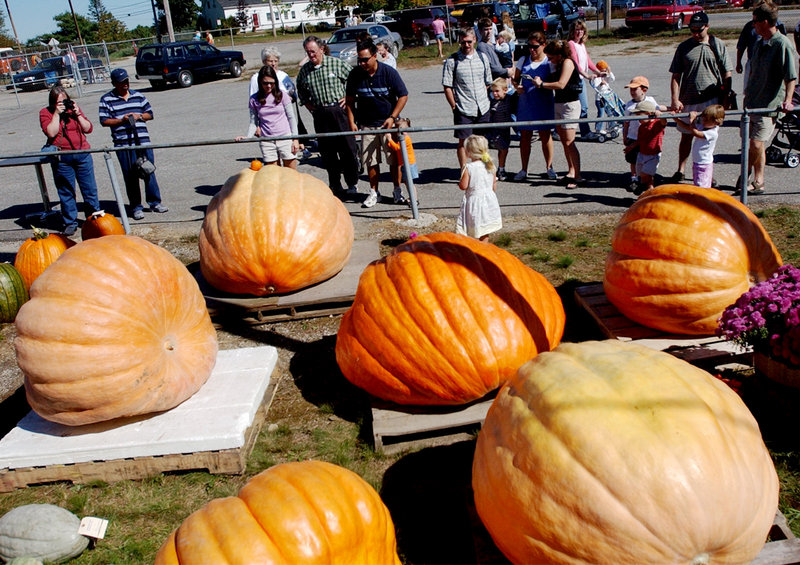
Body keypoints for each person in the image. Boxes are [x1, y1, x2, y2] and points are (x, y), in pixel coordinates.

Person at [668, 12, 732, 183]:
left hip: (710, 100)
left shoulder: (717, 45)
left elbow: (727, 73)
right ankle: (681, 169)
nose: (696, 34)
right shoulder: (684, 47)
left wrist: (725, 98)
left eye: (699, 30)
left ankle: (707, 174)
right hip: (688, 99)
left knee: (707, 138)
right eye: (692, 30)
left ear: (707, 27)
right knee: (686, 136)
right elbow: (675, 75)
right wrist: (675, 99)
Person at [741, 0, 796, 195]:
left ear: (765, 22)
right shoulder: (758, 43)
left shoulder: (782, 44)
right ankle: (758, 181)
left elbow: (791, 77)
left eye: (755, 20)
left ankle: (745, 174)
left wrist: (788, 100)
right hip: (752, 103)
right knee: (756, 144)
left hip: (769, 105)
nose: (752, 24)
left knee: (755, 143)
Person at [345, 38, 409, 207]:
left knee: (394, 160)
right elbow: (350, 101)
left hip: (388, 124)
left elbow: (403, 95)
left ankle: (397, 190)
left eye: (365, 59)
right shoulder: (355, 74)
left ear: (374, 56)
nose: (362, 63)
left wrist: (392, 117)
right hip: (367, 124)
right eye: (359, 59)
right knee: (370, 161)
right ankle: (374, 192)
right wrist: (352, 121)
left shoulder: (388, 72)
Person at [98, 68, 167, 221]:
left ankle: (155, 202)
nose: (125, 85)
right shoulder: (106, 99)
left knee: (148, 171)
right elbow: (104, 120)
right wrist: (121, 120)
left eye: (126, 82)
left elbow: (150, 114)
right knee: (130, 176)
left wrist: (139, 116)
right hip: (123, 144)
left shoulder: (138, 96)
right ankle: (136, 206)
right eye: (121, 83)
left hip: (142, 141)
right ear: (114, 83)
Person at [297, 35, 360, 195]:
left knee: (347, 149)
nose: (311, 55)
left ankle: (352, 183)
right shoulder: (305, 71)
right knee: (328, 152)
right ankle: (335, 184)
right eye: (308, 52)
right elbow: (301, 91)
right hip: (320, 114)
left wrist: (349, 97)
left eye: (313, 51)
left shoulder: (336, 64)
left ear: (322, 49)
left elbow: (355, 81)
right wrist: (310, 106)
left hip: (339, 112)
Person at [39, 85, 101, 236]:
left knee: (90, 190)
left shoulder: (73, 111)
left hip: (82, 154)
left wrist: (78, 114)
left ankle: (96, 220)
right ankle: (70, 222)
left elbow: (88, 128)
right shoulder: (46, 113)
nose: (63, 105)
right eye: (59, 102)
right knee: (66, 192)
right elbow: (51, 132)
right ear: (53, 103)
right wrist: (56, 114)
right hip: (62, 158)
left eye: (65, 101)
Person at [533, 40, 583, 189]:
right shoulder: (558, 64)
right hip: (559, 103)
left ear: (559, 54)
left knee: (569, 141)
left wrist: (542, 84)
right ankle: (571, 171)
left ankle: (578, 176)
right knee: (563, 140)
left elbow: (561, 84)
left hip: (570, 104)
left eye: (551, 57)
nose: (549, 60)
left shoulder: (567, 62)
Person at [442, 28, 493, 168]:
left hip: (482, 107)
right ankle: (465, 170)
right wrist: (454, 105)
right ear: (459, 41)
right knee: (463, 142)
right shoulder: (452, 61)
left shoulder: (483, 57)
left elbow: (488, 82)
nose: (467, 45)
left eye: (469, 41)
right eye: (463, 42)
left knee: (482, 141)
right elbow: (447, 86)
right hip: (463, 109)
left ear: (475, 40)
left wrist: (484, 98)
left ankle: (484, 168)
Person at [512, 32, 556, 182]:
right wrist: (517, 87)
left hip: (544, 102)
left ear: (543, 45)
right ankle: (524, 169)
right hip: (526, 103)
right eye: (529, 46)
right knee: (525, 136)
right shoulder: (524, 60)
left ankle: (549, 167)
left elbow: (556, 82)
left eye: (535, 47)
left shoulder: (549, 62)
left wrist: (543, 84)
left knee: (545, 135)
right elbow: (515, 80)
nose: (531, 49)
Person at [252, 46, 310, 159]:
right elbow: (254, 102)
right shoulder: (256, 78)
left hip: (284, 116)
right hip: (267, 122)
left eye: (275, 61)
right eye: (270, 61)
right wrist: (257, 126)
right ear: (264, 62)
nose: (273, 64)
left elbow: (293, 93)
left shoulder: (283, 76)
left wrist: (289, 97)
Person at [236, 65, 299, 169]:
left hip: (285, 137)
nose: (269, 86)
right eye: (265, 83)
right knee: (272, 175)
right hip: (267, 140)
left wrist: (295, 139)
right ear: (260, 82)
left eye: (272, 83)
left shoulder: (283, 96)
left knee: (291, 174)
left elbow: (291, 118)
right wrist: (248, 136)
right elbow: (253, 122)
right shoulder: (254, 99)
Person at [623, 76, 666, 193]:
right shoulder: (629, 105)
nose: (632, 92)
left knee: (647, 173)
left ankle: (646, 186)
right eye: (630, 89)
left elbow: (661, 117)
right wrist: (625, 137)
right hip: (633, 136)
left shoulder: (651, 104)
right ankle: (635, 179)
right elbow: (626, 123)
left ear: (644, 90)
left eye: (634, 89)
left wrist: (666, 111)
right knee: (633, 160)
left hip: (652, 151)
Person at [456, 134, 502, 241]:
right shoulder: (490, 165)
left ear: (468, 152)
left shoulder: (469, 168)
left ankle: (473, 249)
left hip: (475, 203)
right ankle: (484, 248)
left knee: (472, 228)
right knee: (484, 230)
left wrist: (461, 177)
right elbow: (493, 186)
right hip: (488, 202)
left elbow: (463, 186)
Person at [568, 19, 604, 141]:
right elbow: (575, 63)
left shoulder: (581, 45)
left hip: (581, 79)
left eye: (581, 29)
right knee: (582, 107)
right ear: (572, 31)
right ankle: (585, 132)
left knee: (574, 107)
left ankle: (559, 129)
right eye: (577, 29)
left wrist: (598, 72)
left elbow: (588, 61)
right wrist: (587, 75)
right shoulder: (571, 44)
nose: (579, 32)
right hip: (574, 80)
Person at [674, 104, 725, 189]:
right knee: (698, 183)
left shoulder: (712, 133)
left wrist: (692, 119)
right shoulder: (705, 126)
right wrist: (676, 118)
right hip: (697, 162)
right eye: (703, 119)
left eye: (706, 120)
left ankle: (702, 200)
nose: (703, 122)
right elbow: (688, 128)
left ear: (716, 122)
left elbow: (695, 133)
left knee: (702, 187)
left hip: (704, 164)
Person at [735, 6, 786, 90]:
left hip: (772, 63)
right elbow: (741, 45)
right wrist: (738, 62)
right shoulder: (750, 27)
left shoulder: (778, 25)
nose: (753, 24)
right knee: (750, 89)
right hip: (753, 61)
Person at [384, 117, 419, 205]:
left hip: (409, 163)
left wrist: (390, 139)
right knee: (407, 182)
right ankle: (412, 197)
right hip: (405, 163)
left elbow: (397, 148)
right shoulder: (403, 138)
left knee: (410, 183)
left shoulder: (405, 139)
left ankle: (414, 199)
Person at [488, 78, 512, 181]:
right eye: (493, 91)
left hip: (505, 129)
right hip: (494, 129)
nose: (495, 94)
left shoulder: (510, 99)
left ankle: (501, 168)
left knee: (504, 149)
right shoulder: (491, 102)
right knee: (492, 150)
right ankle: (489, 169)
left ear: (505, 90)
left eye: (497, 91)